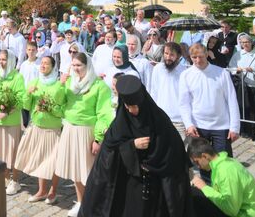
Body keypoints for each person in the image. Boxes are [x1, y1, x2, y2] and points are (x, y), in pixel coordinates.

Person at [80, 76, 192, 216]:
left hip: (155, 187)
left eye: (134, 106)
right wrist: (131, 146)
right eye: (127, 106)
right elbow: (108, 154)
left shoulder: (160, 120)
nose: (131, 110)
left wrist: (152, 159)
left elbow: (173, 153)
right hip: (128, 185)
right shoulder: (120, 123)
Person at [54, 52, 114, 217]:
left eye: (79, 66)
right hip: (70, 129)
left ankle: (94, 202)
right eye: (73, 65)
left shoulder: (99, 86)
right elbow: (58, 102)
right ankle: (81, 202)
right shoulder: (69, 83)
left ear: (87, 66)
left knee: (89, 171)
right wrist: (60, 84)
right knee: (76, 169)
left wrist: (98, 139)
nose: (76, 69)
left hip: (86, 131)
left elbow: (104, 114)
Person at [15, 56, 64, 204]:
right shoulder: (34, 82)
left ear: (53, 67)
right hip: (36, 126)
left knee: (54, 161)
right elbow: (26, 105)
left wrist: (49, 108)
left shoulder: (59, 85)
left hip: (52, 129)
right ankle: (42, 191)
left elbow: (62, 111)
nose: (43, 65)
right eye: (41, 63)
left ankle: (53, 191)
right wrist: (28, 93)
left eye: (46, 63)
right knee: (40, 160)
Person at [179, 43, 240, 157]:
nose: (198, 60)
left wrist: (234, 127)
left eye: (201, 57)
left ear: (206, 54)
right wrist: (189, 124)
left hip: (221, 126)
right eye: (194, 58)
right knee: (203, 163)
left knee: (224, 161)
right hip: (198, 126)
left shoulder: (222, 73)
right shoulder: (185, 75)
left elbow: (232, 100)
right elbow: (184, 103)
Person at [189, 137, 255, 217]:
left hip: (246, 214)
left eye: (197, 162)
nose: (198, 166)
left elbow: (231, 210)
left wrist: (204, 187)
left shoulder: (225, 171)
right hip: (242, 211)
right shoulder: (222, 163)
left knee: (196, 199)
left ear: (205, 156)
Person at [0, 49, 26, 194]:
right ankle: (6, 178)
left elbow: (21, 100)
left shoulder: (17, 77)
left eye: (4, 60)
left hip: (10, 121)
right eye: (0, 59)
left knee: (12, 153)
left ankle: (15, 181)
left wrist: (7, 112)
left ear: (10, 61)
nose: (2, 62)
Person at [228, 33, 255, 138]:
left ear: (251, 43)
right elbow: (230, 68)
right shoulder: (238, 55)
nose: (245, 44)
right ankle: (245, 131)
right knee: (244, 109)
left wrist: (253, 70)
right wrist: (237, 70)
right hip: (242, 87)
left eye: (247, 42)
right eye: (243, 42)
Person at [150, 42, 188, 139]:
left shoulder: (185, 72)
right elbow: (153, 92)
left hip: (179, 120)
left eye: (171, 55)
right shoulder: (157, 69)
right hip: (161, 117)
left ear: (178, 56)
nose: (168, 57)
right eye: (166, 53)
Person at [17, 41, 40, 127]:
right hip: (26, 95)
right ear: (26, 51)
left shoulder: (40, 64)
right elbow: (21, 80)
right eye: (29, 50)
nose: (31, 52)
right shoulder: (23, 64)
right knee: (26, 121)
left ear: (37, 51)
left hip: (35, 95)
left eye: (33, 50)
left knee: (34, 120)